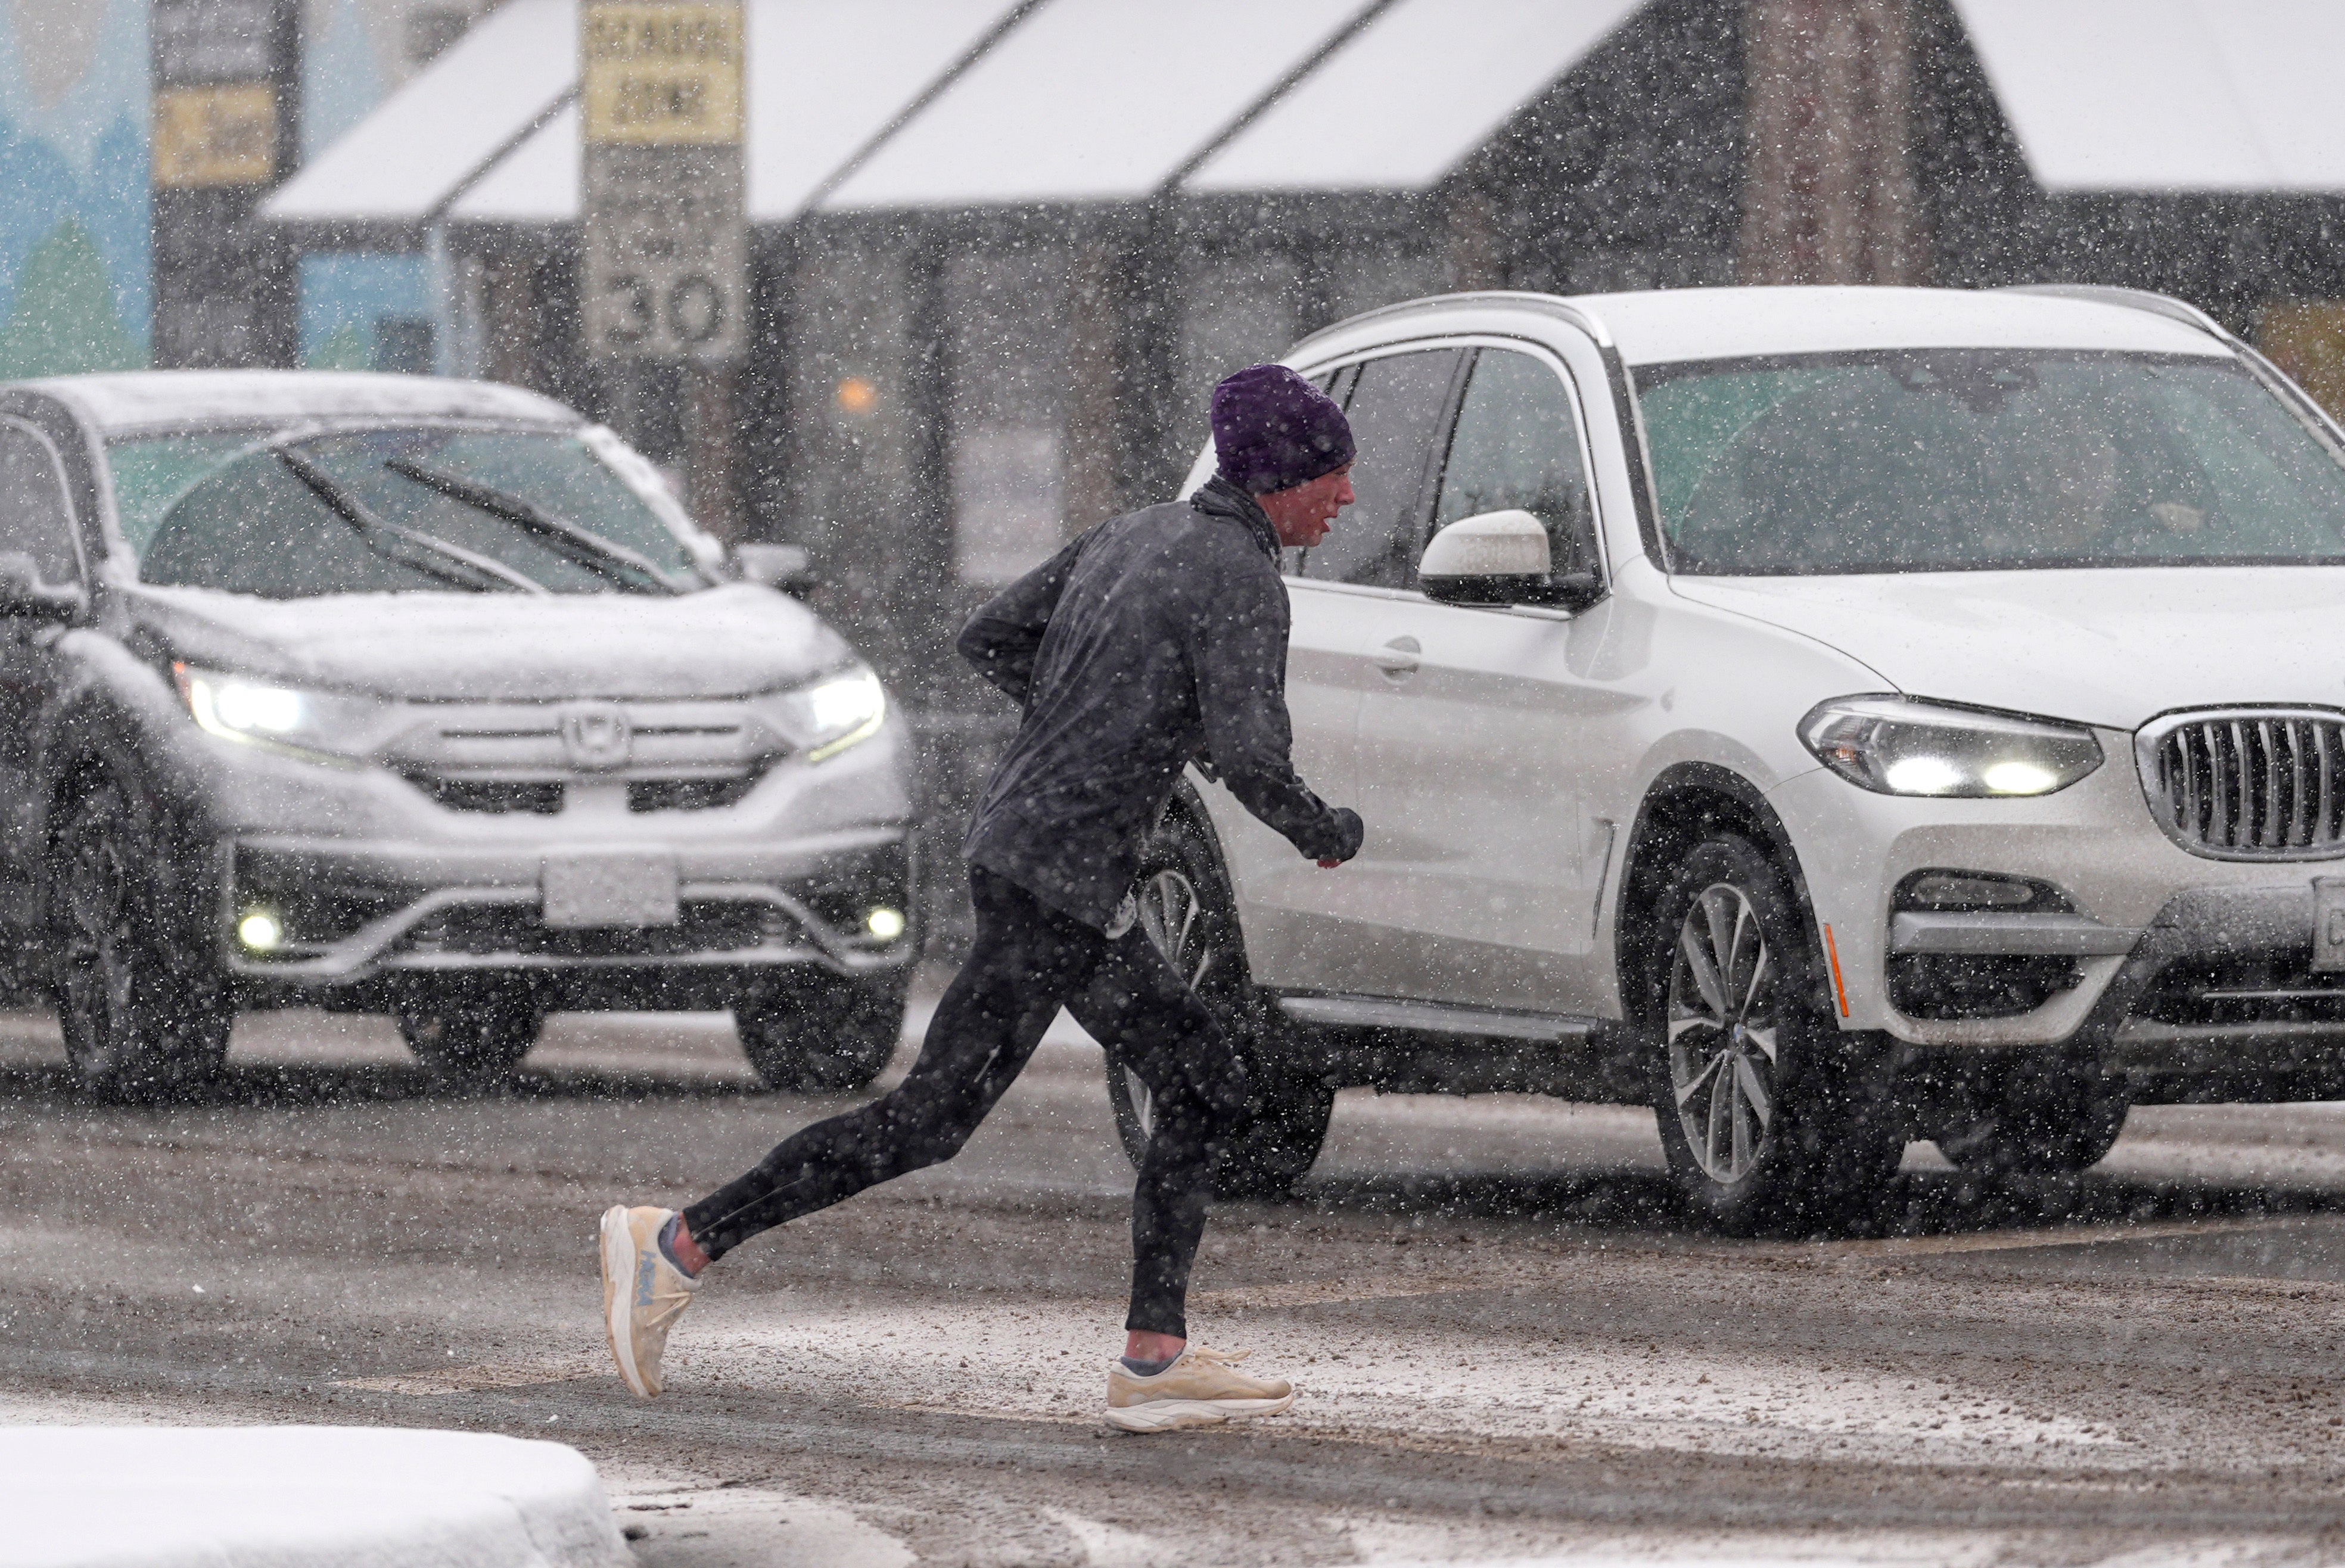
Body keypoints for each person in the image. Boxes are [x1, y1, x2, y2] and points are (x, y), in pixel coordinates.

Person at [599, 363, 1366, 1433]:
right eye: (1333, 476)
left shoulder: (1131, 535)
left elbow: (993, 637)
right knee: (937, 1118)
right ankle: (679, 1241)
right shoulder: (1240, 574)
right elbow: (1251, 756)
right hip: (1059, 878)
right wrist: (1326, 830)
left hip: (1036, 858)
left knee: (1200, 1079)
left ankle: (1155, 1358)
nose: (1345, 496)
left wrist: (1101, 727)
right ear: (1283, 476)